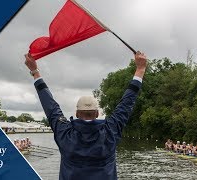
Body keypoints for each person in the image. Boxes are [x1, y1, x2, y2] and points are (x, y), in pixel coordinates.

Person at [25, 51, 147, 180]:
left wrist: (35, 71)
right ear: (97, 113)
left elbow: (49, 105)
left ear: (77, 113)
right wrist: (140, 69)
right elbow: (127, 102)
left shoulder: (65, 133)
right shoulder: (110, 130)